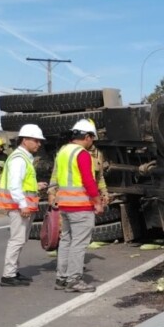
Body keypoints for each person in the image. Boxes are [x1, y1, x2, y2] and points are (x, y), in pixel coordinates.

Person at [50, 119, 105, 293]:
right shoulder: (82, 154)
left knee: (66, 241)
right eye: (92, 138)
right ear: (87, 136)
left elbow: (58, 178)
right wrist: (97, 202)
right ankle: (74, 280)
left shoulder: (63, 151)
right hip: (80, 206)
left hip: (65, 205)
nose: (92, 142)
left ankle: (62, 278)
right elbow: (89, 181)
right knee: (79, 244)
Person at [0, 125, 46, 287]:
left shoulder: (24, 157)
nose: (39, 144)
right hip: (19, 207)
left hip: (21, 205)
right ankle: (8, 276)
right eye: (36, 140)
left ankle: (13, 272)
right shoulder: (19, 159)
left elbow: (22, 183)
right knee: (17, 240)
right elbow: (14, 185)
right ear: (25, 140)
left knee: (20, 240)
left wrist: (36, 186)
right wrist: (23, 205)